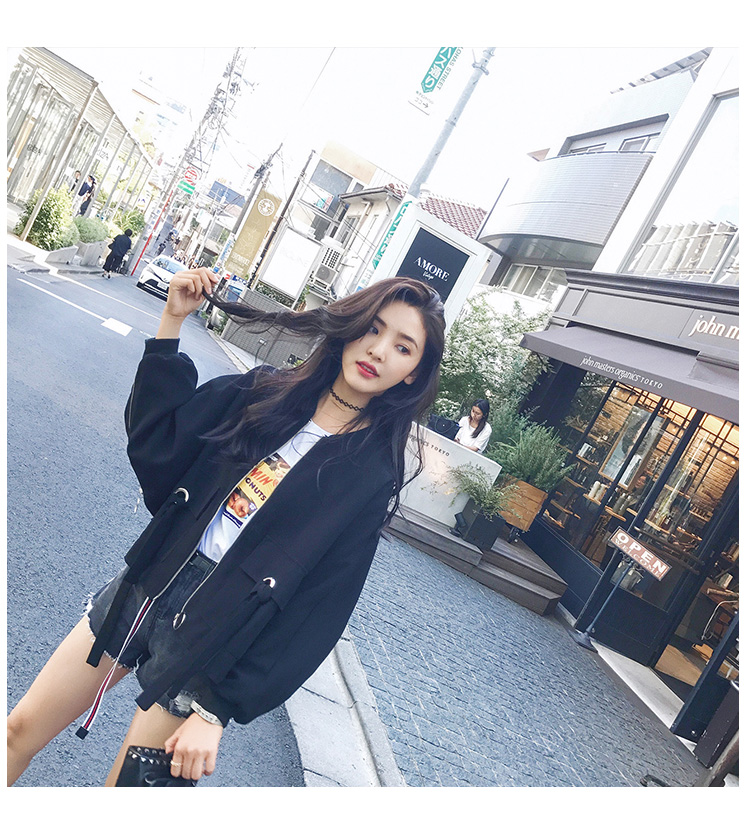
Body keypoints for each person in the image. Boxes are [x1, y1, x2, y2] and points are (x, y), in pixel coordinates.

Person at [7, 272, 445, 787]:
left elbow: (319, 606)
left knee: (128, 793)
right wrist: (172, 321)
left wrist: (215, 707)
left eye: (403, 347)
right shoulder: (265, 392)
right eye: (373, 328)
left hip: (211, 641)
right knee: (17, 730)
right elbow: (160, 441)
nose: (378, 350)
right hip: (149, 583)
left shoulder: (369, 476)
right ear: (350, 326)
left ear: (414, 373)